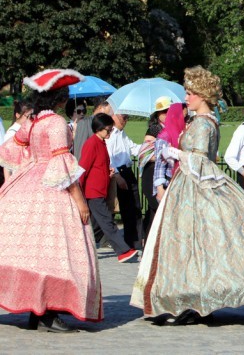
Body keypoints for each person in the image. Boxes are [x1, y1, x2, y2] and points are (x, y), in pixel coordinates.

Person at [131, 66, 244, 325]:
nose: (186, 98)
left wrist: (172, 153)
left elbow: (200, 163)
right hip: (188, 188)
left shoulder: (203, 124)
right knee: (192, 248)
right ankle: (189, 301)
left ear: (202, 95)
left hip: (195, 190)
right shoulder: (202, 122)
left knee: (197, 247)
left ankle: (194, 303)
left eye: (190, 93)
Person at [0, 69, 102, 332]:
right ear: (59, 99)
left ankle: (39, 309)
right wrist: (80, 202)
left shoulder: (33, 122)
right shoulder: (55, 122)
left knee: (36, 252)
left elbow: (15, 145)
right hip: (50, 187)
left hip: (27, 183)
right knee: (57, 252)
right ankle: (48, 311)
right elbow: (61, 163)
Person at [79, 113, 139, 263]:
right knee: (107, 221)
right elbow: (83, 168)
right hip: (93, 191)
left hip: (99, 189)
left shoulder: (101, 143)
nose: (110, 132)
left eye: (110, 130)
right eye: (108, 130)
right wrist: (79, 191)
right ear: (99, 129)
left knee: (95, 223)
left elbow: (98, 165)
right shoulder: (92, 143)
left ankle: (81, 249)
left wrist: (108, 172)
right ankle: (123, 250)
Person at [105, 111, 142, 249]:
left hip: (126, 170)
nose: (125, 120)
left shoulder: (122, 134)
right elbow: (109, 156)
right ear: (114, 115)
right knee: (123, 207)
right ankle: (127, 240)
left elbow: (133, 148)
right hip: (118, 172)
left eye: (127, 117)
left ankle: (135, 240)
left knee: (134, 206)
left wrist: (149, 147)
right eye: (123, 117)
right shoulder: (111, 134)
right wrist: (117, 175)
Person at [139, 96, 171, 242]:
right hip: (151, 172)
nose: (166, 114)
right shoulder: (154, 129)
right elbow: (146, 153)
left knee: (156, 212)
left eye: (168, 110)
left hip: (164, 173)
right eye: (163, 111)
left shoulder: (173, 128)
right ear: (157, 114)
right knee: (156, 209)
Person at [152, 102, 186, 203]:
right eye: (184, 117)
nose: (186, 120)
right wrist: (160, 188)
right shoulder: (165, 135)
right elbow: (159, 164)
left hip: (180, 183)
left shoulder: (182, 133)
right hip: (168, 183)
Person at [3, 100, 33, 183]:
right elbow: (6, 164)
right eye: (27, 116)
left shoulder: (29, 130)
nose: (30, 119)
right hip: (17, 179)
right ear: (17, 115)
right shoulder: (12, 133)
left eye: (32, 116)